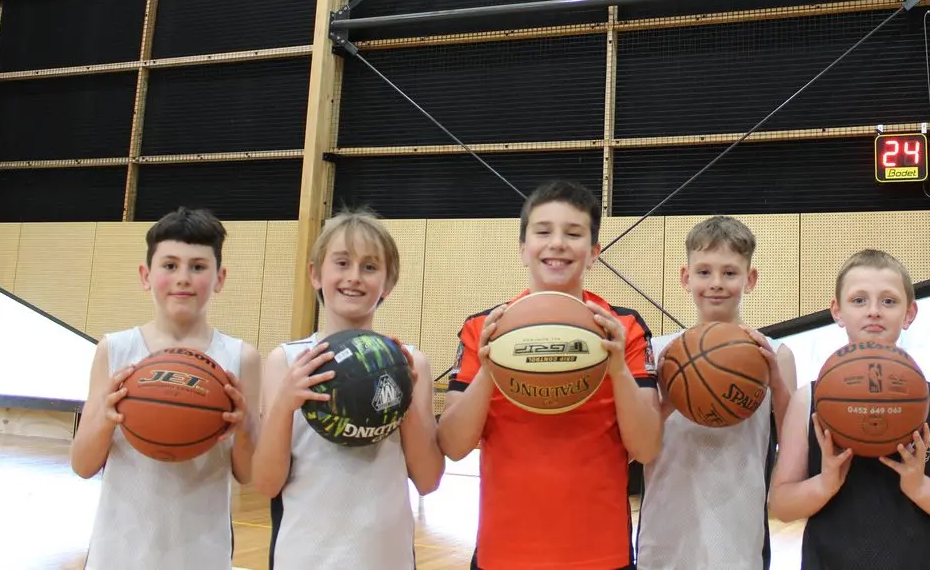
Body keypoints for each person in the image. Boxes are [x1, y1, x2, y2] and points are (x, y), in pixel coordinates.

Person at [437, 179, 662, 570]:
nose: (557, 243)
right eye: (543, 232)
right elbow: (453, 445)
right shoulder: (483, 328)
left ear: (594, 253)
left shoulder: (624, 327)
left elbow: (645, 448)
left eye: (573, 234)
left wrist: (617, 369)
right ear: (523, 249)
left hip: (600, 555)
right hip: (503, 554)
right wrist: (491, 369)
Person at [252, 209, 443, 569]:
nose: (354, 277)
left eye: (370, 267)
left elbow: (429, 480)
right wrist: (283, 406)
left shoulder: (411, 363)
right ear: (315, 274)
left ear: (388, 283)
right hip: (304, 558)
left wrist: (404, 402)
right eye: (342, 263)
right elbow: (265, 483)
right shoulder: (286, 360)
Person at [71, 207, 261, 570]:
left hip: (202, 552)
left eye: (198, 267)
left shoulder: (242, 359)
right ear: (146, 275)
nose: (183, 278)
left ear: (220, 278)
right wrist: (106, 419)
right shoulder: (115, 350)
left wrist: (247, 427)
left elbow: (248, 474)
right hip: (118, 551)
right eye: (170, 265)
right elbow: (82, 465)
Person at [769, 249, 930, 569]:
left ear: (909, 313)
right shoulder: (808, 400)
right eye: (859, 300)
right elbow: (782, 505)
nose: (874, 311)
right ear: (837, 311)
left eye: (889, 301)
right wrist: (824, 483)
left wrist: (920, 487)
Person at [635, 216, 797, 570]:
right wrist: (669, 400)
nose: (716, 284)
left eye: (730, 272)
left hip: (739, 536)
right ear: (685, 277)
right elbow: (632, 449)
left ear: (750, 279)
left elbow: (794, 447)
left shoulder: (775, 353)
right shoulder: (658, 354)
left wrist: (777, 385)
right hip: (664, 539)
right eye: (704, 272)